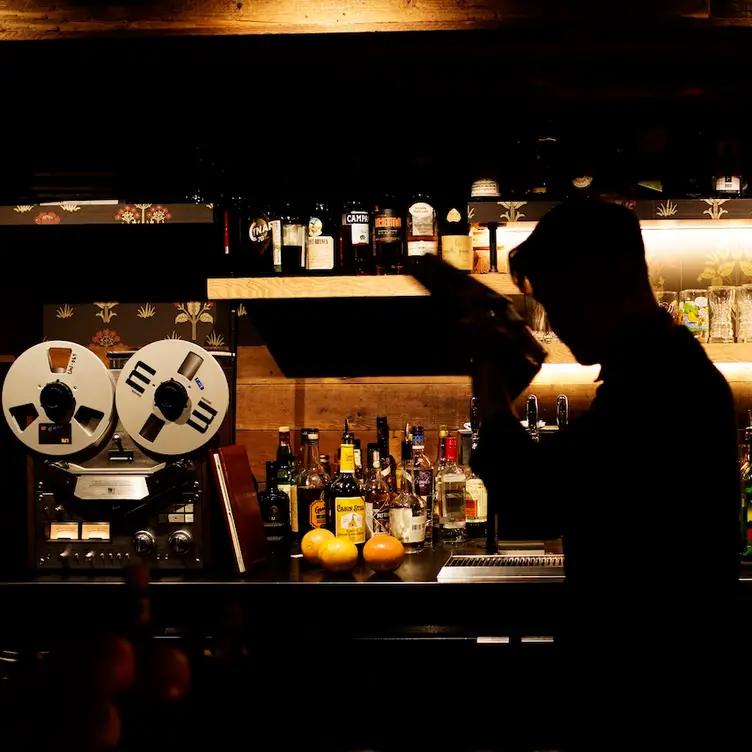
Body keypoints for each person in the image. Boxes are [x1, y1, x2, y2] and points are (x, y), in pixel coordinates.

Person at [469, 201, 741, 751]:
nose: (560, 325)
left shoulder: (659, 388)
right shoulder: (660, 372)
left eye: (560, 300)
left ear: (605, 278)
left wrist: (491, 394)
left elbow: (537, 499)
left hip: (649, 696)